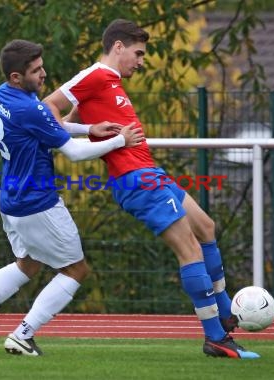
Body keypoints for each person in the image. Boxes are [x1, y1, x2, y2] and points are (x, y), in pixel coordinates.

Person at [44, 19, 259, 359]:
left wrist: (88, 127)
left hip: (150, 172)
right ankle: (216, 337)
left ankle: (225, 311)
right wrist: (102, 134)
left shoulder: (109, 83)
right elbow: (47, 109)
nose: (141, 61)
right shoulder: (95, 75)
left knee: (205, 227)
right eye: (138, 53)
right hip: (136, 178)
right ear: (118, 47)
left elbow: (67, 121)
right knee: (189, 249)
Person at [0, 39, 143, 356]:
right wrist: (120, 139)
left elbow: (49, 125)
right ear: (16, 77)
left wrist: (90, 126)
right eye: (35, 71)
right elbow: (73, 153)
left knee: (27, 264)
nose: (44, 74)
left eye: (42, 66)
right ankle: (23, 335)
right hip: (38, 202)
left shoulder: (2, 95)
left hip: (11, 198)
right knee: (76, 270)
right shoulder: (30, 107)